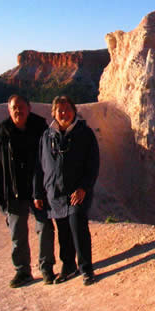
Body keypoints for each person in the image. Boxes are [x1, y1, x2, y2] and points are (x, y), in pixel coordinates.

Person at [0, 94, 56, 287]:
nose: (18, 110)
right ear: (9, 111)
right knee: (17, 232)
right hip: (14, 190)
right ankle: (22, 271)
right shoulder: (3, 132)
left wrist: (49, 187)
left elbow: (49, 159)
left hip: (38, 189)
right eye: (14, 108)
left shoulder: (40, 128)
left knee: (45, 228)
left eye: (21, 107)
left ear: (29, 108)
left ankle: (46, 268)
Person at [34, 95, 100, 286]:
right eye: (60, 110)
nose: (64, 113)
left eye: (67, 109)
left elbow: (93, 164)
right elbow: (40, 166)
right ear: (53, 113)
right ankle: (68, 266)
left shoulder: (85, 133)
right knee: (63, 231)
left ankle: (86, 268)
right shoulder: (47, 136)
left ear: (74, 111)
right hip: (54, 192)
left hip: (77, 191)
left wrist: (84, 188)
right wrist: (38, 192)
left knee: (78, 226)